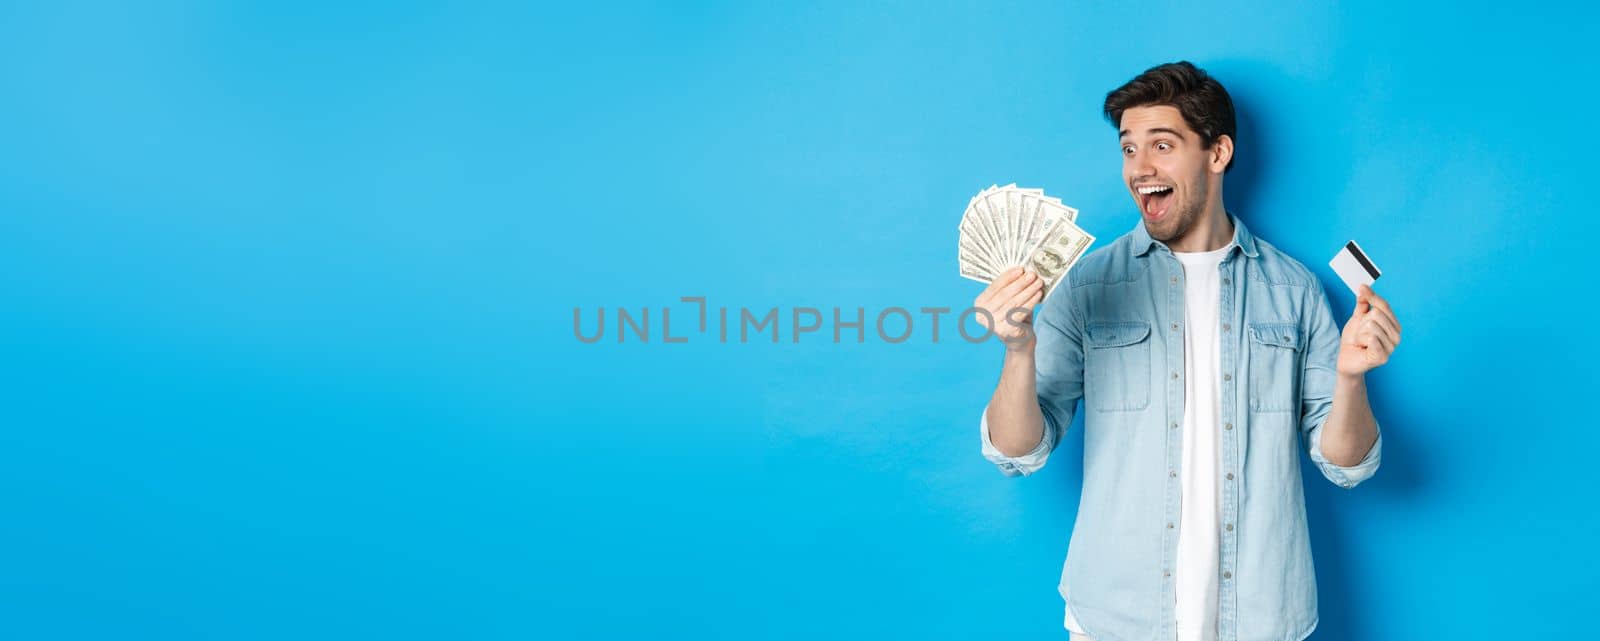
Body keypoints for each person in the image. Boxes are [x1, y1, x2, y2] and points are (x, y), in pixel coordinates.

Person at [974, 61, 1401, 641]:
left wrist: (1352, 379)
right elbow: (1017, 452)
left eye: (1162, 145)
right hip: (1116, 621)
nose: (1140, 168)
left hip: (1261, 617)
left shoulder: (1295, 291)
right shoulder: (1087, 286)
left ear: (1218, 152)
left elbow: (1347, 465)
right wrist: (1018, 349)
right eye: (1128, 149)